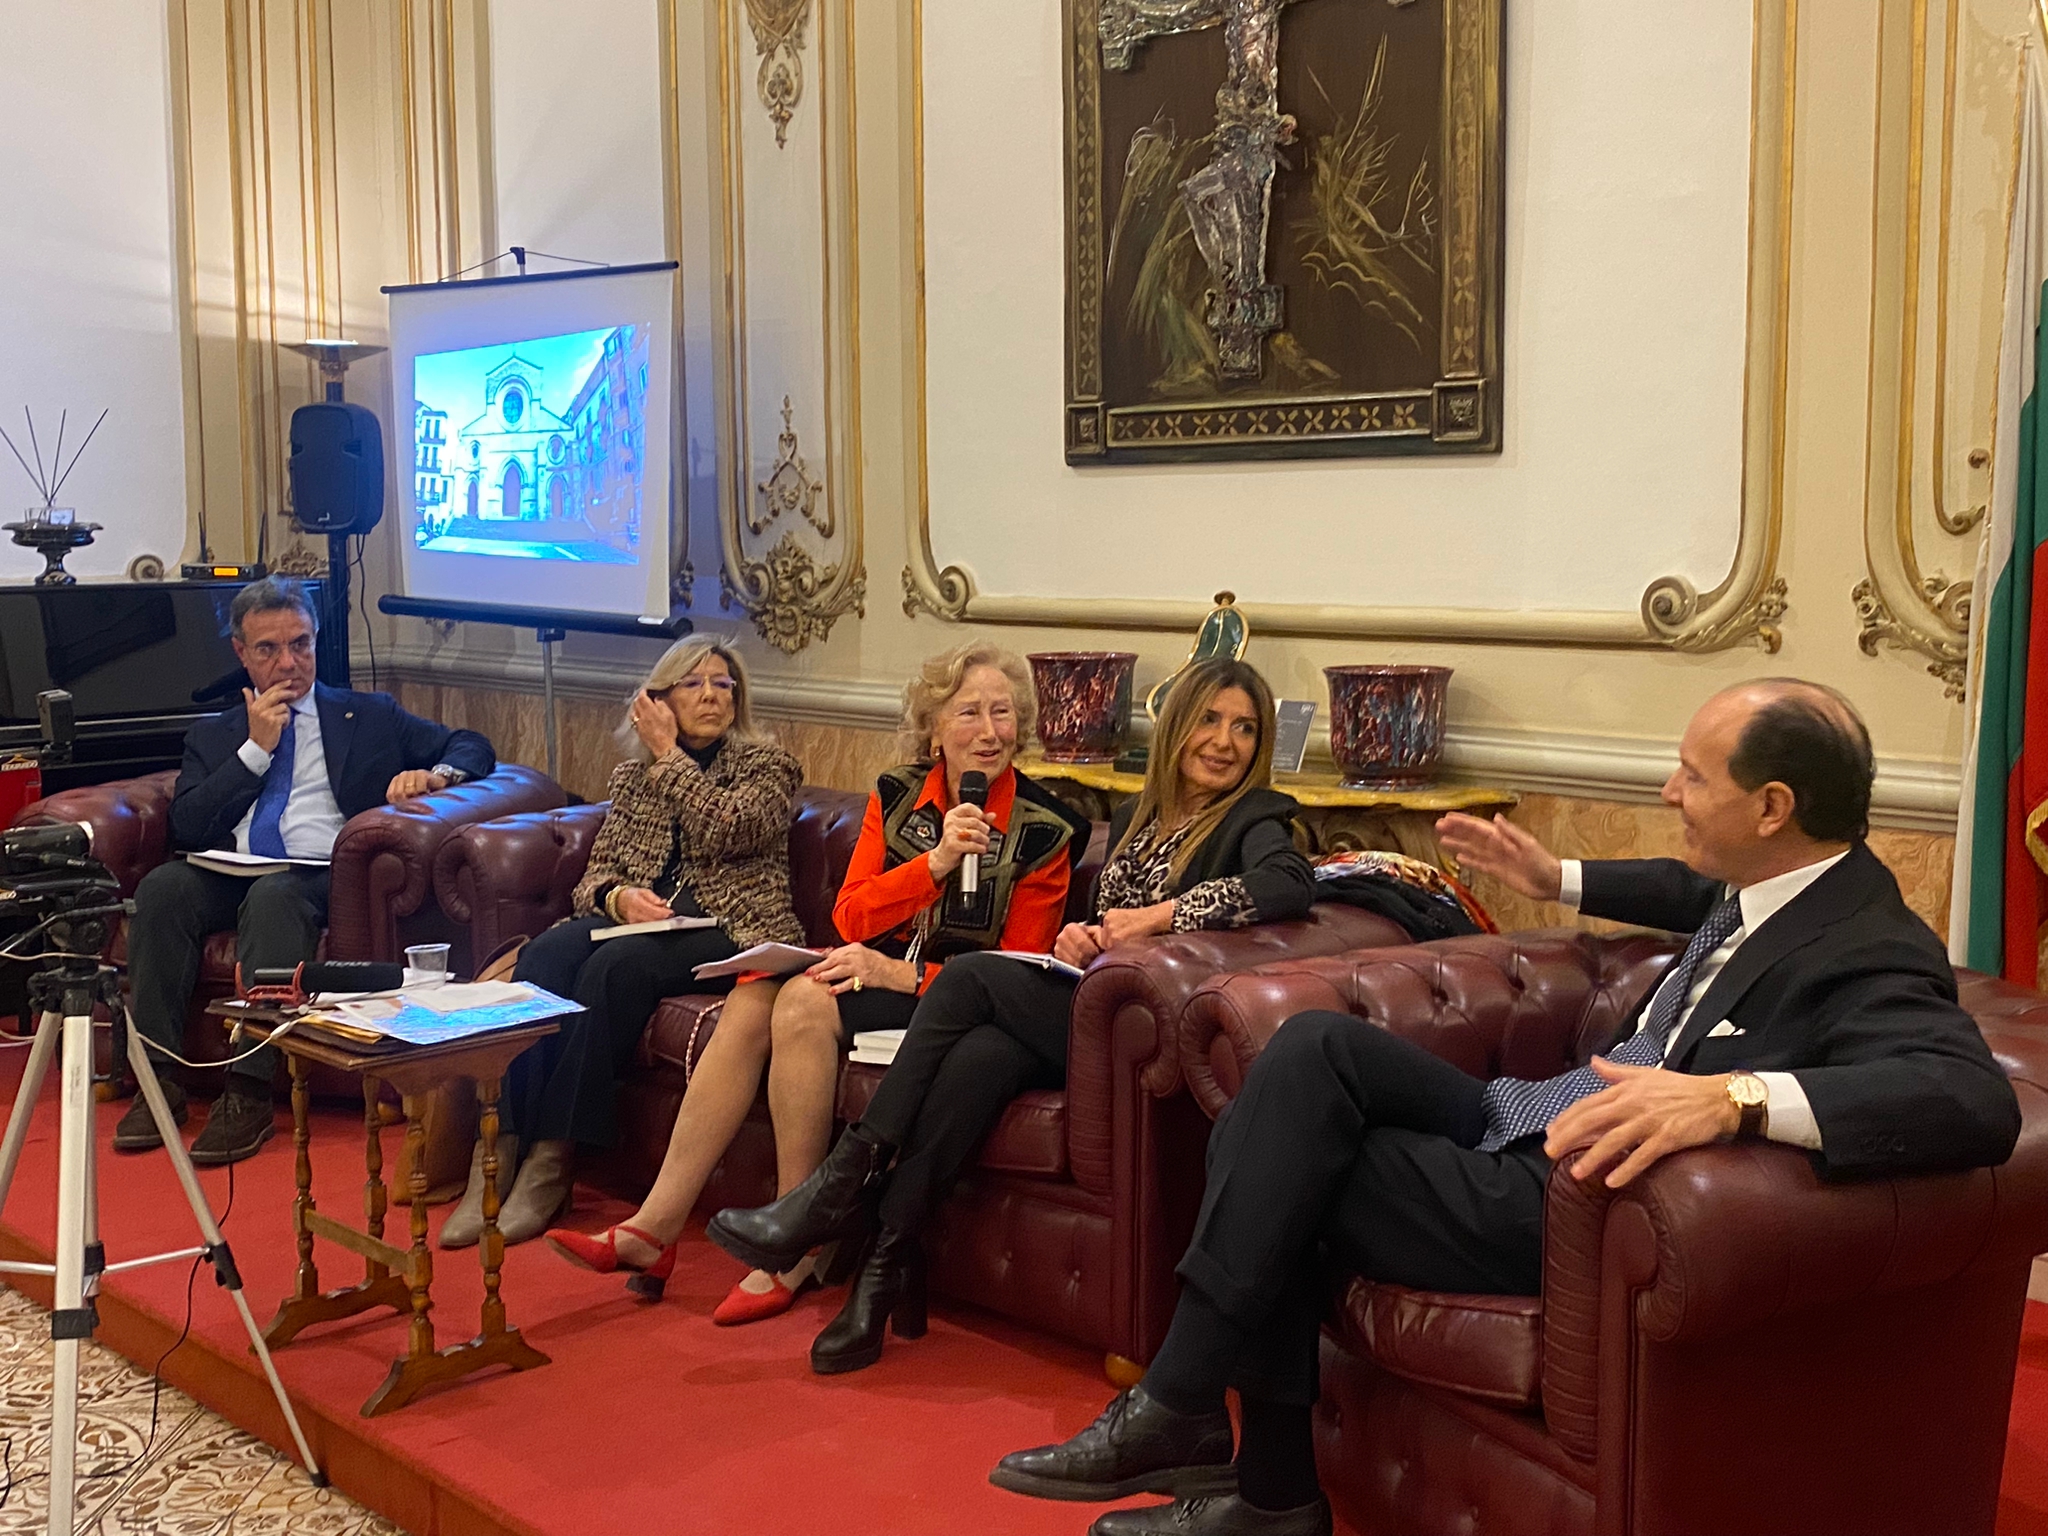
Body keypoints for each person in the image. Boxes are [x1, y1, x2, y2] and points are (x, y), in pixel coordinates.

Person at [987, 679, 2022, 1536]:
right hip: (1528, 1114)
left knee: (1285, 1158)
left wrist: (1734, 1099)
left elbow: (1969, 1098)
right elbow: (1678, 885)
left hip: (1567, 1196)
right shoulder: (1779, 883)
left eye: (1693, 777)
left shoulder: (1871, 945)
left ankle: (1234, 1458)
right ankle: (1212, 1438)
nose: (1669, 791)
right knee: (1309, 1052)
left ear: (1772, 807)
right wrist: (1552, 873)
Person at [710, 656, 1319, 1375]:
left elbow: (1287, 884)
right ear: (1177, 727)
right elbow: (1102, 927)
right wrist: (1085, 936)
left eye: (1244, 728)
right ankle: (884, 1268)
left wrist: (1156, 919)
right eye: (1209, 720)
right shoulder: (1138, 816)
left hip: (1155, 1030)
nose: (1224, 741)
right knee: (978, 1060)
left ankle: (840, 1183)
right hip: (1096, 1002)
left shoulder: (1256, 817)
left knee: (972, 976)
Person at [541, 643, 1089, 1317]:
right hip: (874, 969)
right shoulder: (897, 795)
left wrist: (900, 972)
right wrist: (933, 865)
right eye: (969, 712)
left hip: (957, 1002)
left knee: (803, 1002)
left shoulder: (1046, 830)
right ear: (935, 728)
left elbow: (1015, 974)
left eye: (1002, 713)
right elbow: (851, 914)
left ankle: (794, 1243)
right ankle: (655, 1227)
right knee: (754, 992)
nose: (989, 731)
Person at [115, 577, 495, 1166]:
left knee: (275, 897)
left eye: (300, 644)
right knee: (162, 889)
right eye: (269, 649)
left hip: (317, 871)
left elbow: (471, 744)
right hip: (230, 867)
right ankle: (157, 1080)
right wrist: (254, 751)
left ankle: (247, 1092)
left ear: (316, 641)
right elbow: (187, 825)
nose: (289, 663)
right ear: (241, 653)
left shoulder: (368, 716)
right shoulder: (215, 733)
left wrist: (437, 776)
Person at [438, 639, 804, 1249]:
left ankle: (554, 1160)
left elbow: (730, 827)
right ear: (657, 699)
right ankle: (498, 1151)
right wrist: (620, 898)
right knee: (545, 956)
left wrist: (668, 756)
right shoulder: (633, 779)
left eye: (723, 684)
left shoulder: (768, 767)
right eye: (693, 684)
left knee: (613, 968)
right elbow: (596, 877)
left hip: (732, 925)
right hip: (647, 923)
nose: (712, 695)